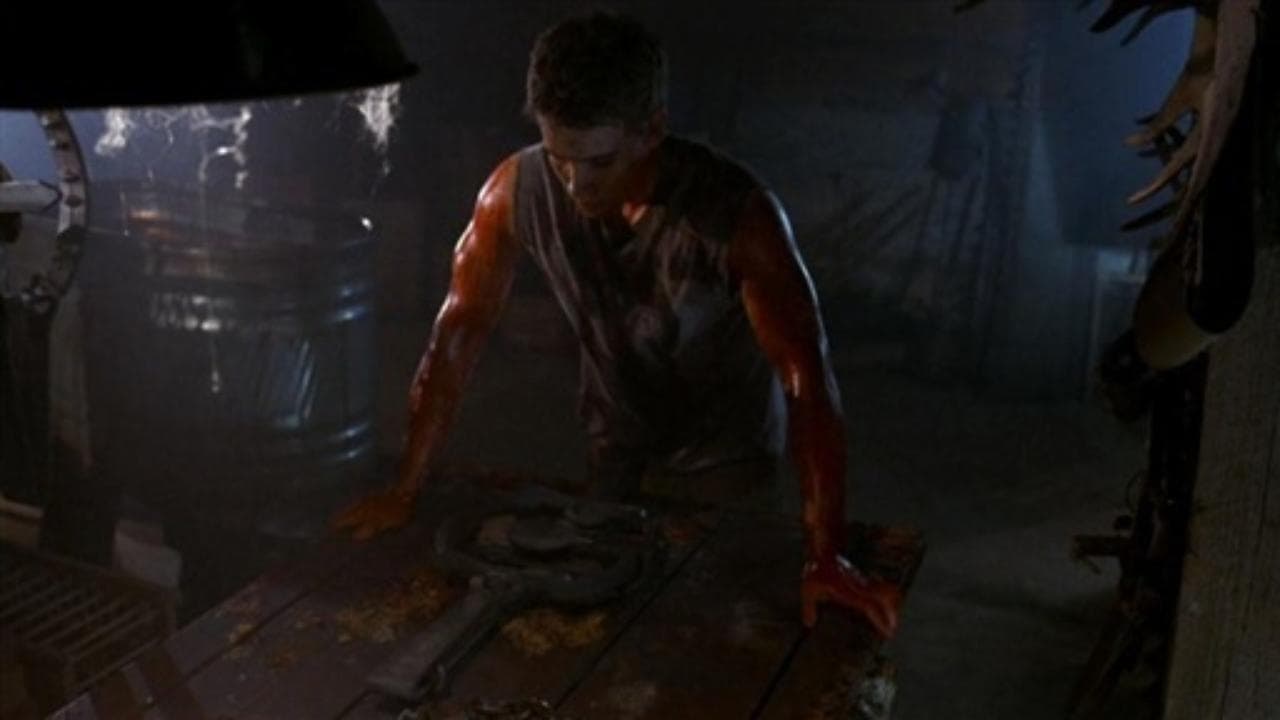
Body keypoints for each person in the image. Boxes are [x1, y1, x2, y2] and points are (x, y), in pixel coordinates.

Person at [332, 11, 901, 637]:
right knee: (600, 631)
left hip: (724, 463)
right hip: (615, 448)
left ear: (651, 130)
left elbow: (806, 379)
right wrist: (407, 485)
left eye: (599, 162)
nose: (577, 184)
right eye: (560, 158)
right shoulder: (514, 192)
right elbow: (457, 334)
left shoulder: (739, 216)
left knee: (710, 634)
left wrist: (826, 554)